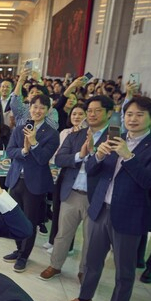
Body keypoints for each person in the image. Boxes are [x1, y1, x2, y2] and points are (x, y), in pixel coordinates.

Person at [61, 96, 151, 301]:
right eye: (129, 114)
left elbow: (147, 181)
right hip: (100, 208)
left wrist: (128, 156)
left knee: (124, 268)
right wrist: (98, 155)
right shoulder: (114, 138)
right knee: (92, 260)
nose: (132, 119)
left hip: (130, 215)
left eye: (139, 115)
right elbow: (92, 169)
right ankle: (85, 297)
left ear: (149, 118)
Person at [39, 101, 106, 282]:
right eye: (89, 111)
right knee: (63, 233)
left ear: (108, 113)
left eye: (97, 111)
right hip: (71, 192)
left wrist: (94, 154)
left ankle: (84, 270)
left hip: (96, 197)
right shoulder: (75, 136)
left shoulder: (112, 139)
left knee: (90, 239)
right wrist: (80, 156)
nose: (92, 114)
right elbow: (60, 159)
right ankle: (55, 265)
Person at [2, 94, 60, 272]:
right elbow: (10, 151)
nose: (37, 110)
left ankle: (24, 256)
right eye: (34, 107)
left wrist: (34, 142)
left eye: (42, 107)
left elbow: (43, 159)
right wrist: (24, 151)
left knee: (29, 222)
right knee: (14, 217)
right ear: (30, 108)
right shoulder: (20, 128)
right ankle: (19, 248)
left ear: (48, 110)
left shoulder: (52, 134)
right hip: (16, 180)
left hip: (35, 184)